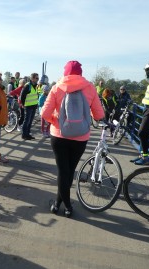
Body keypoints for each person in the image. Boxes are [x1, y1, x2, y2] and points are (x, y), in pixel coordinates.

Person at [41, 60, 104, 218]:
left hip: (59, 136)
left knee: (63, 171)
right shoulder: (89, 87)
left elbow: (44, 113)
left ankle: (61, 205)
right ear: (80, 73)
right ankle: (64, 205)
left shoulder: (57, 87)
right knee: (69, 171)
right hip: (80, 137)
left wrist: (56, 120)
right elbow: (99, 115)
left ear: (65, 72)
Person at [20, 73, 40, 140]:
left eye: (38, 78)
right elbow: (22, 96)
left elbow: (36, 95)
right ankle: (24, 135)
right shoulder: (27, 86)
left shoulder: (36, 86)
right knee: (27, 121)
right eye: (36, 78)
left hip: (34, 106)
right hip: (28, 106)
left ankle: (28, 134)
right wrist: (23, 104)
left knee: (30, 121)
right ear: (32, 78)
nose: (38, 79)